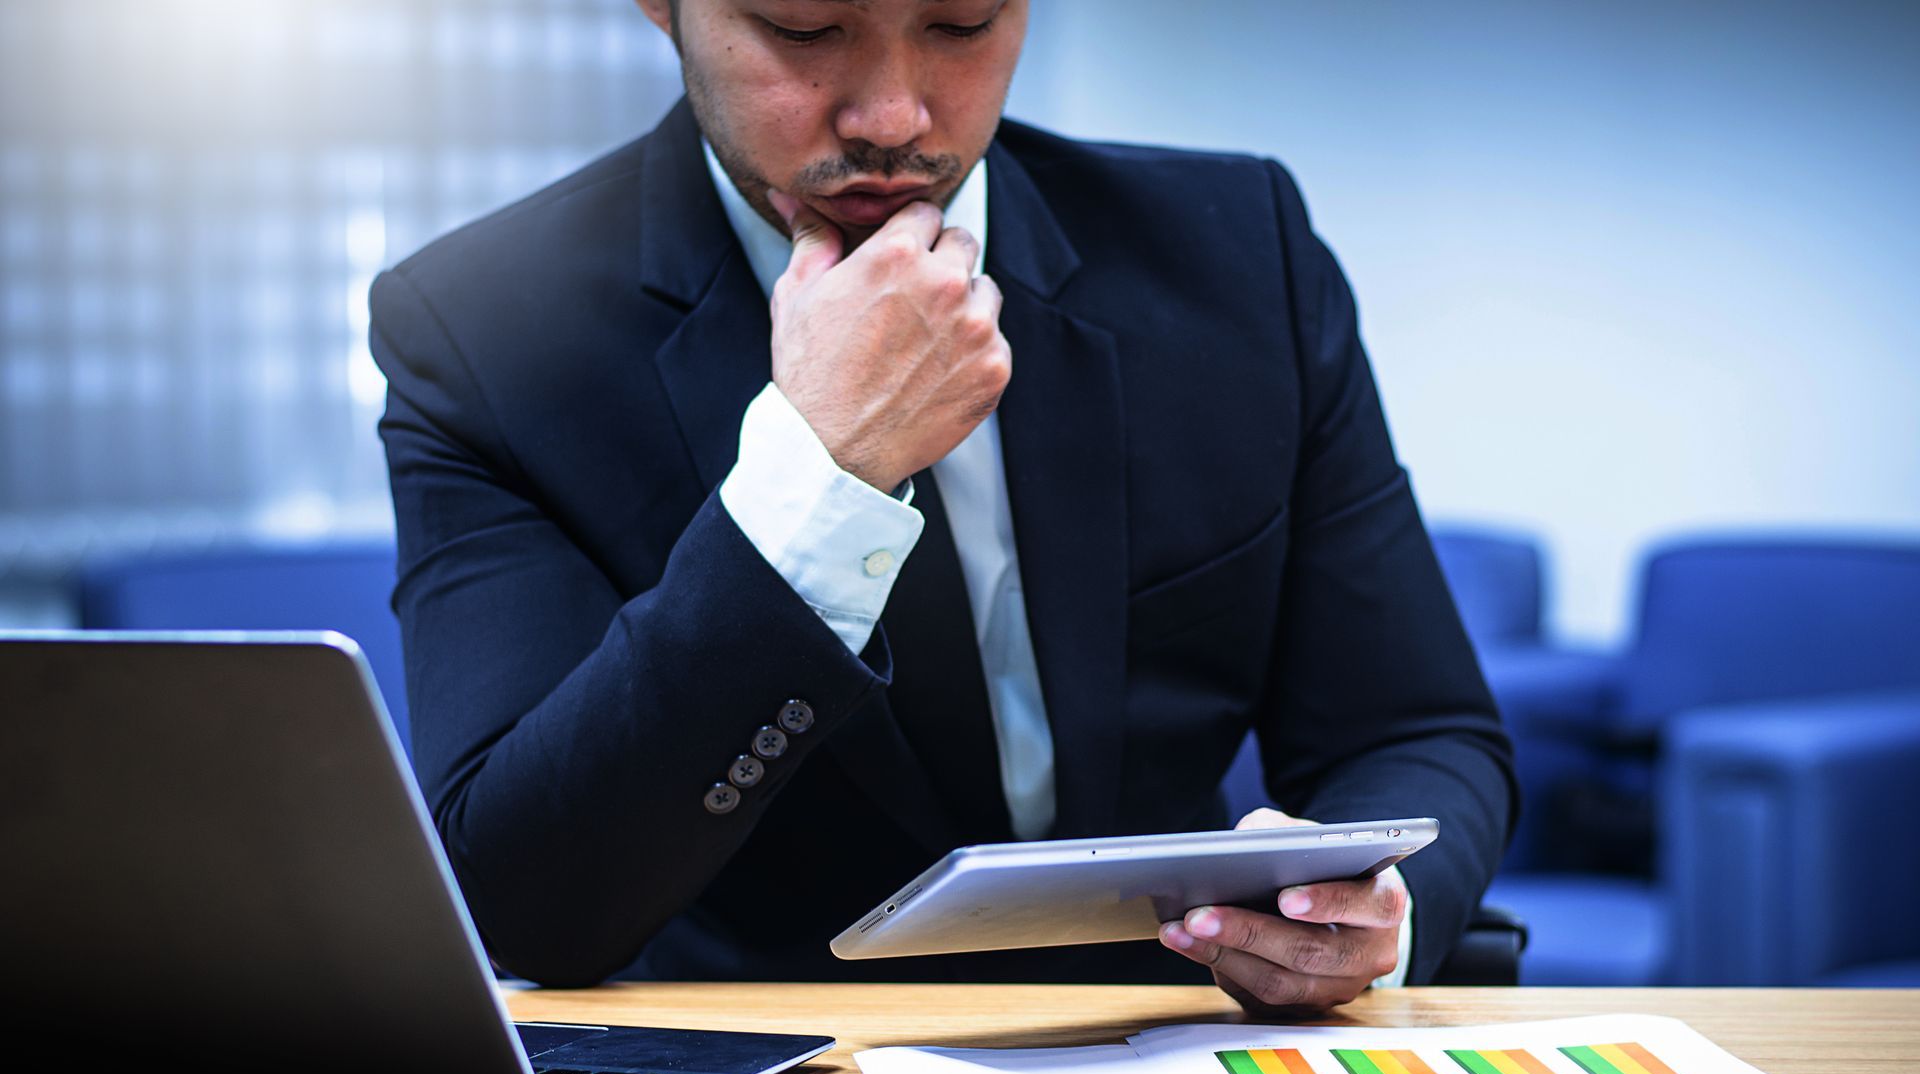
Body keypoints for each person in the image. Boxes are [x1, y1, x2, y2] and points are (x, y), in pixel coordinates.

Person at [369, 0, 1517, 1011]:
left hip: (1190, 1054)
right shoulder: (484, 331)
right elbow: (528, 902)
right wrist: (821, 480)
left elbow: (1416, 732)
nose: (894, 116)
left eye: (963, 25)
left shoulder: (1235, 254)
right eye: (805, 29)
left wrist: (1366, 909)